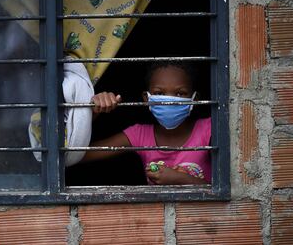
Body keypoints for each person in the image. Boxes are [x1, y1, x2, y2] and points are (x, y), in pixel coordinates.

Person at [83, 62, 211, 185]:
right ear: (146, 98)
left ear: (195, 99)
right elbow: (78, 155)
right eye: (159, 93)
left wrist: (181, 179)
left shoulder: (210, 129)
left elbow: (229, 187)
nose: (169, 101)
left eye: (180, 93)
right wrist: (94, 111)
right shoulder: (140, 135)